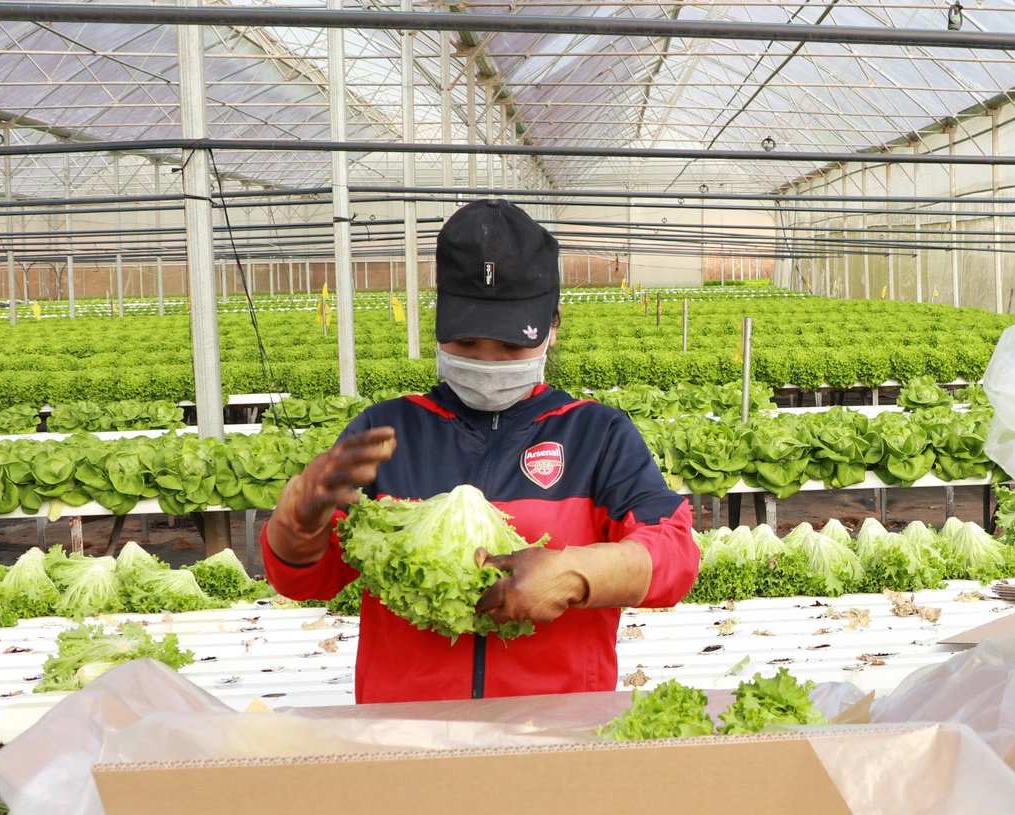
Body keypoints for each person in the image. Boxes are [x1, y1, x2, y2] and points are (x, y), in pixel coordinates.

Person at [260, 200, 699, 702]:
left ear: (551, 327)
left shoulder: (596, 434)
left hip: (557, 731)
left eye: (511, 346)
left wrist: (579, 573)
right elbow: (304, 582)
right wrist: (297, 523)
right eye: (467, 341)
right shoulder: (388, 430)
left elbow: (676, 555)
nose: (488, 360)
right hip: (408, 736)